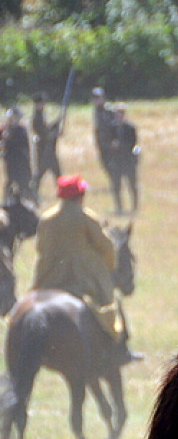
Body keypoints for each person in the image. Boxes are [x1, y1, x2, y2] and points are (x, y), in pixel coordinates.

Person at [32, 174, 137, 364]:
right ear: (80, 196)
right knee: (110, 305)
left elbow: (39, 247)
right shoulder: (86, 218)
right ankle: (119, 350)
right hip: (81, 280)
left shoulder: (47, 219)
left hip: (48, 279)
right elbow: (107, 248)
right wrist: (108, 268)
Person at [108, 103, 140, 214]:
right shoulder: (112, 127)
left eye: (120, 114)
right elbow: (108, 142)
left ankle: (135, 207)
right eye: (116, 114)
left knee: (132, 184)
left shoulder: (130, 127)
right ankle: (119, 207)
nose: (118, 117)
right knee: (116, 186)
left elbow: (133, 143)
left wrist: (120, 145)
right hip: (117, 161)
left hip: (128, 160)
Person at [30, 91, 62, 195]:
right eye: (42, 103)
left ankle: (61, 192)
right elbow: (44, 134)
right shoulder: (37, 117)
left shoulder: (40, 116)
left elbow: (46, 130)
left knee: (55, 173)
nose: (44, 105)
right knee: (40, 174)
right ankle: (33, 193)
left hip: (47, 149)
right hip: (44, 150)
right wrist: (55, 127)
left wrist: (55, 124)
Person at [2, 106, 34, 200]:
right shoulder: (6, 130)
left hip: (21, 160)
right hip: (11, 160)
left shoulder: (22, 130)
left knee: (23, 182)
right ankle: (7, 200)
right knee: (10, 182)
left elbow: (26, 146)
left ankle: (25, 200)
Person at [91, 87, 116, 183]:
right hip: (101, 142)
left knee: (112, 163)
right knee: (104, 163)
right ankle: (113, 181)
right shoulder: (96, 111)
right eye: (95, 98)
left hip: (110, 141)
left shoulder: (109, 110)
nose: (98, 100)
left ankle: (115, 181)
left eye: (99, 98)